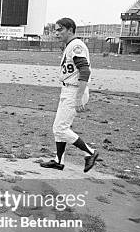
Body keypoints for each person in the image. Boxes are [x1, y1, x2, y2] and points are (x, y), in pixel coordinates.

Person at [40, 17, 99, 173]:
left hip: (74, 90)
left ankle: (90, 153)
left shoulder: (76, 45)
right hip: (68, 89)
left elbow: (85, 71)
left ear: (70, 30)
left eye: (60, 29)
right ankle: (59, 161)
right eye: (55, 29)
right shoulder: (70, 45)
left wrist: (79, 97)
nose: (56, 33)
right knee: (58, 128)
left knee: (60, 129)